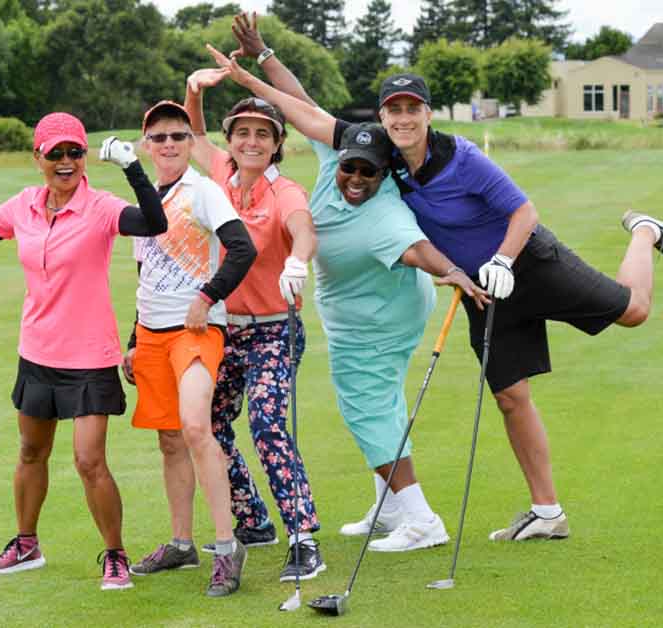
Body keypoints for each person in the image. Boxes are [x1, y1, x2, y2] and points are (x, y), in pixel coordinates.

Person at [370, 71, 663, 541]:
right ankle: (547, 512)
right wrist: (262, 61)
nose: (403, 118)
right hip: (482, 290)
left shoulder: (462, 156)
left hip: (531, 262)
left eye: (412, 108)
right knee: (510, 395)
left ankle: (644, 230)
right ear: (381, 117)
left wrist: (503, 258)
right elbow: (313, 117)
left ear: (428, 113)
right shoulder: (383, 160)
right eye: (393, 110)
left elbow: (524, 211)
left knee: (634, 311)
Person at [209, 40, 492, 553]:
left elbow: (420, 250)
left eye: (368, 172)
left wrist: (455, 273)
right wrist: (265, 55)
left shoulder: (385, 218)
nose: (355, 178)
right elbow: (305, 106)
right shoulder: (331, 158)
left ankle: (421, 520)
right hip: (363, 306)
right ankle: (387, 507)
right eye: (350, 167)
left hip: (380, 317)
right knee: (383, 402)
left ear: (383, 174)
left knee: (366, 409)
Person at [0, 112, 167, 590]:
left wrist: (132, 168)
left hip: (89, 357)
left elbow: (153, 222)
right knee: (30, 451)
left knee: (89, 461)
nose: (65, 162)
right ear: (37, 156)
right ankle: (26, 543)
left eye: (74, 152)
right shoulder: (24, 205)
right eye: (55, 153)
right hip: (38, 352)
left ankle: (115, 554)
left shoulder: (101, 207)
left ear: (84, 156)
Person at [179, 72, 326, 581]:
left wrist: (298, 261)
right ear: (231, 139)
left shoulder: (283, 190)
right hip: (226, 330)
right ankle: (251, 519)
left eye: (263, 134)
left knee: (266, 425)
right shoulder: (220, 173)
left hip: (273, 331)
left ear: (277, 143)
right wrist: (194, 91)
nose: (251, 142)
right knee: (210, 425)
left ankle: (303, 537)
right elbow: (193, 136)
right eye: (243, 132)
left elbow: (302, 228)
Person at [121, 100, 258, 597]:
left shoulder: (204, 191)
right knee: (170, 439)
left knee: (197, 428)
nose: (170, 145)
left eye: (178, 136)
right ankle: (182, 544)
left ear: (188, 141)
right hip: (154, 332)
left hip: (197, 329)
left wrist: (207, 296)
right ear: (146, 146)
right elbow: (146, 273)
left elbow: (243, 247)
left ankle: (227, 547)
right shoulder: (145, 199)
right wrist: (135, 338)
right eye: (159, 138)